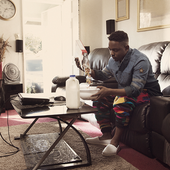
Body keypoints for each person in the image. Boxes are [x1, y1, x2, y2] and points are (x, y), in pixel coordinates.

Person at [75, 30, 162, 156]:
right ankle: (106, 135)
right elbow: (103, 75)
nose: (112, 53)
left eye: (115, 50)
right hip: (128, 90)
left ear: (126, 47)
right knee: (99, 98)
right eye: (110, 49)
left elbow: (135, 89)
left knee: (122, 102)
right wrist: (86, 69)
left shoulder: (140, 60)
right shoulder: (113, 60)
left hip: (148, 92)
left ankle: (115, 142)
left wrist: (110, 91)